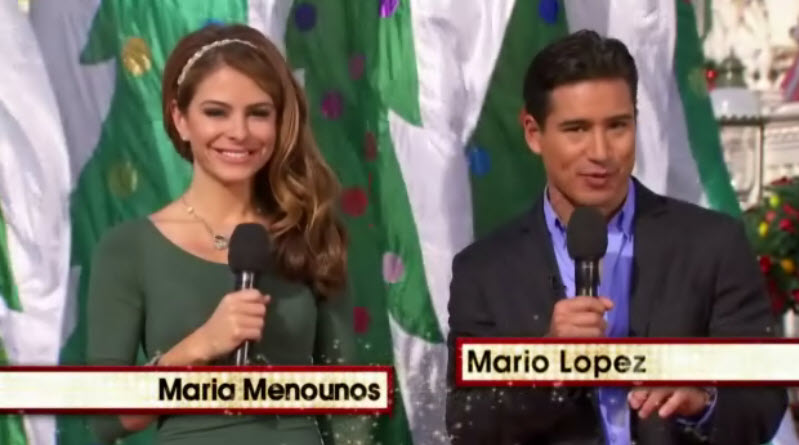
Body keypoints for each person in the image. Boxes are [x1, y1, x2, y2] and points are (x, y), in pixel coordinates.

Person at [445, 30, 786, 445]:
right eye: (576, 129)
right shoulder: (484, 271)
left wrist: (705, 401)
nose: (601, 152)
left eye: (618, 126)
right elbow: (467, 425)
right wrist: (545, 361)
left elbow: (764, 398)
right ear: (534, 133)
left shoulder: (713, 244)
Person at [87, 24, 366, 445]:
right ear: (180, 119)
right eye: (216, 112)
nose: (239, 132)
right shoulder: (128, 249)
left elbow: (351, 409)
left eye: (258, 113)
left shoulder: (311, 235)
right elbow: (105, 418)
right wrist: (199, 347)